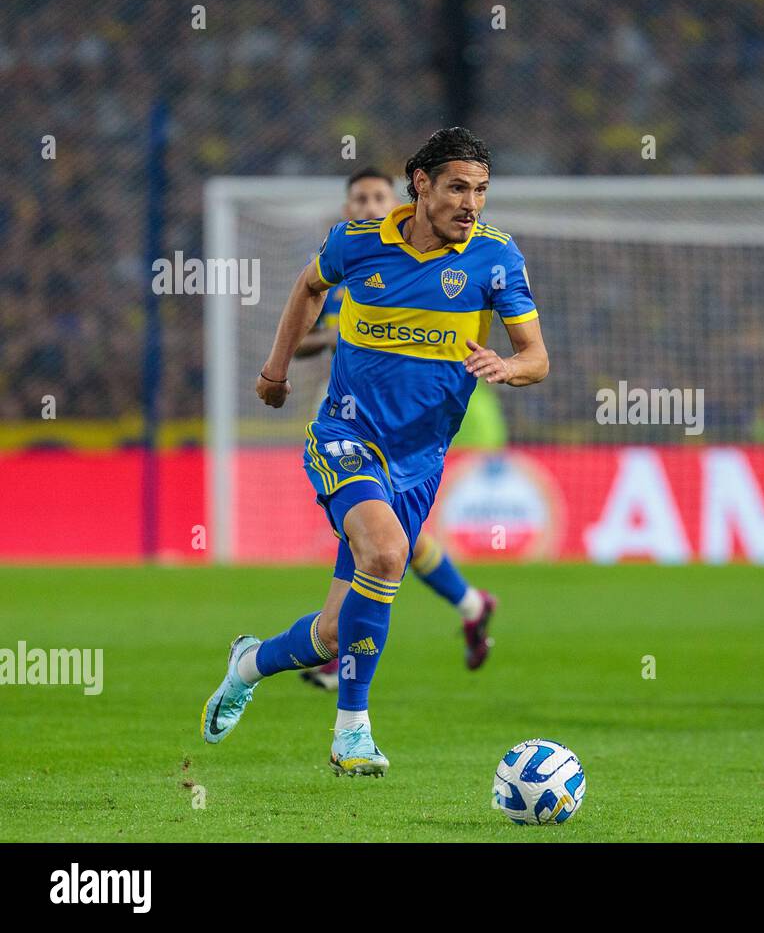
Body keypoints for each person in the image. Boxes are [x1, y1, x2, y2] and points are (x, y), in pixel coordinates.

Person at [201, 127, 549, 776]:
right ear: (420, 184)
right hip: (347, 437)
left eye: (480, 191)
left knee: (334, 632)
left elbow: (537, 356)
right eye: (456, 188)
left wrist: (510, 365)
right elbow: (308, 288)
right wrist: (275, 374)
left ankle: (247, 663)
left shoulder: (496, 258)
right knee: (389, 553)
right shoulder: (357, 244)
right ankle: (352, 733)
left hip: (420, 460)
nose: (470, 204)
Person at [292, 166, 500, 692]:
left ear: (404, 200)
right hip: (348, 412)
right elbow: (304, 335)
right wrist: (344, 334)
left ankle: (338, 641)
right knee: (382, 538)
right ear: (347, 210)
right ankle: (466, 605)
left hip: (413, 420)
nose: (368, 206)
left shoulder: (440, 262)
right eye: (358, 198)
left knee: (385, 539)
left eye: (378, 197)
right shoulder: (350, 266)